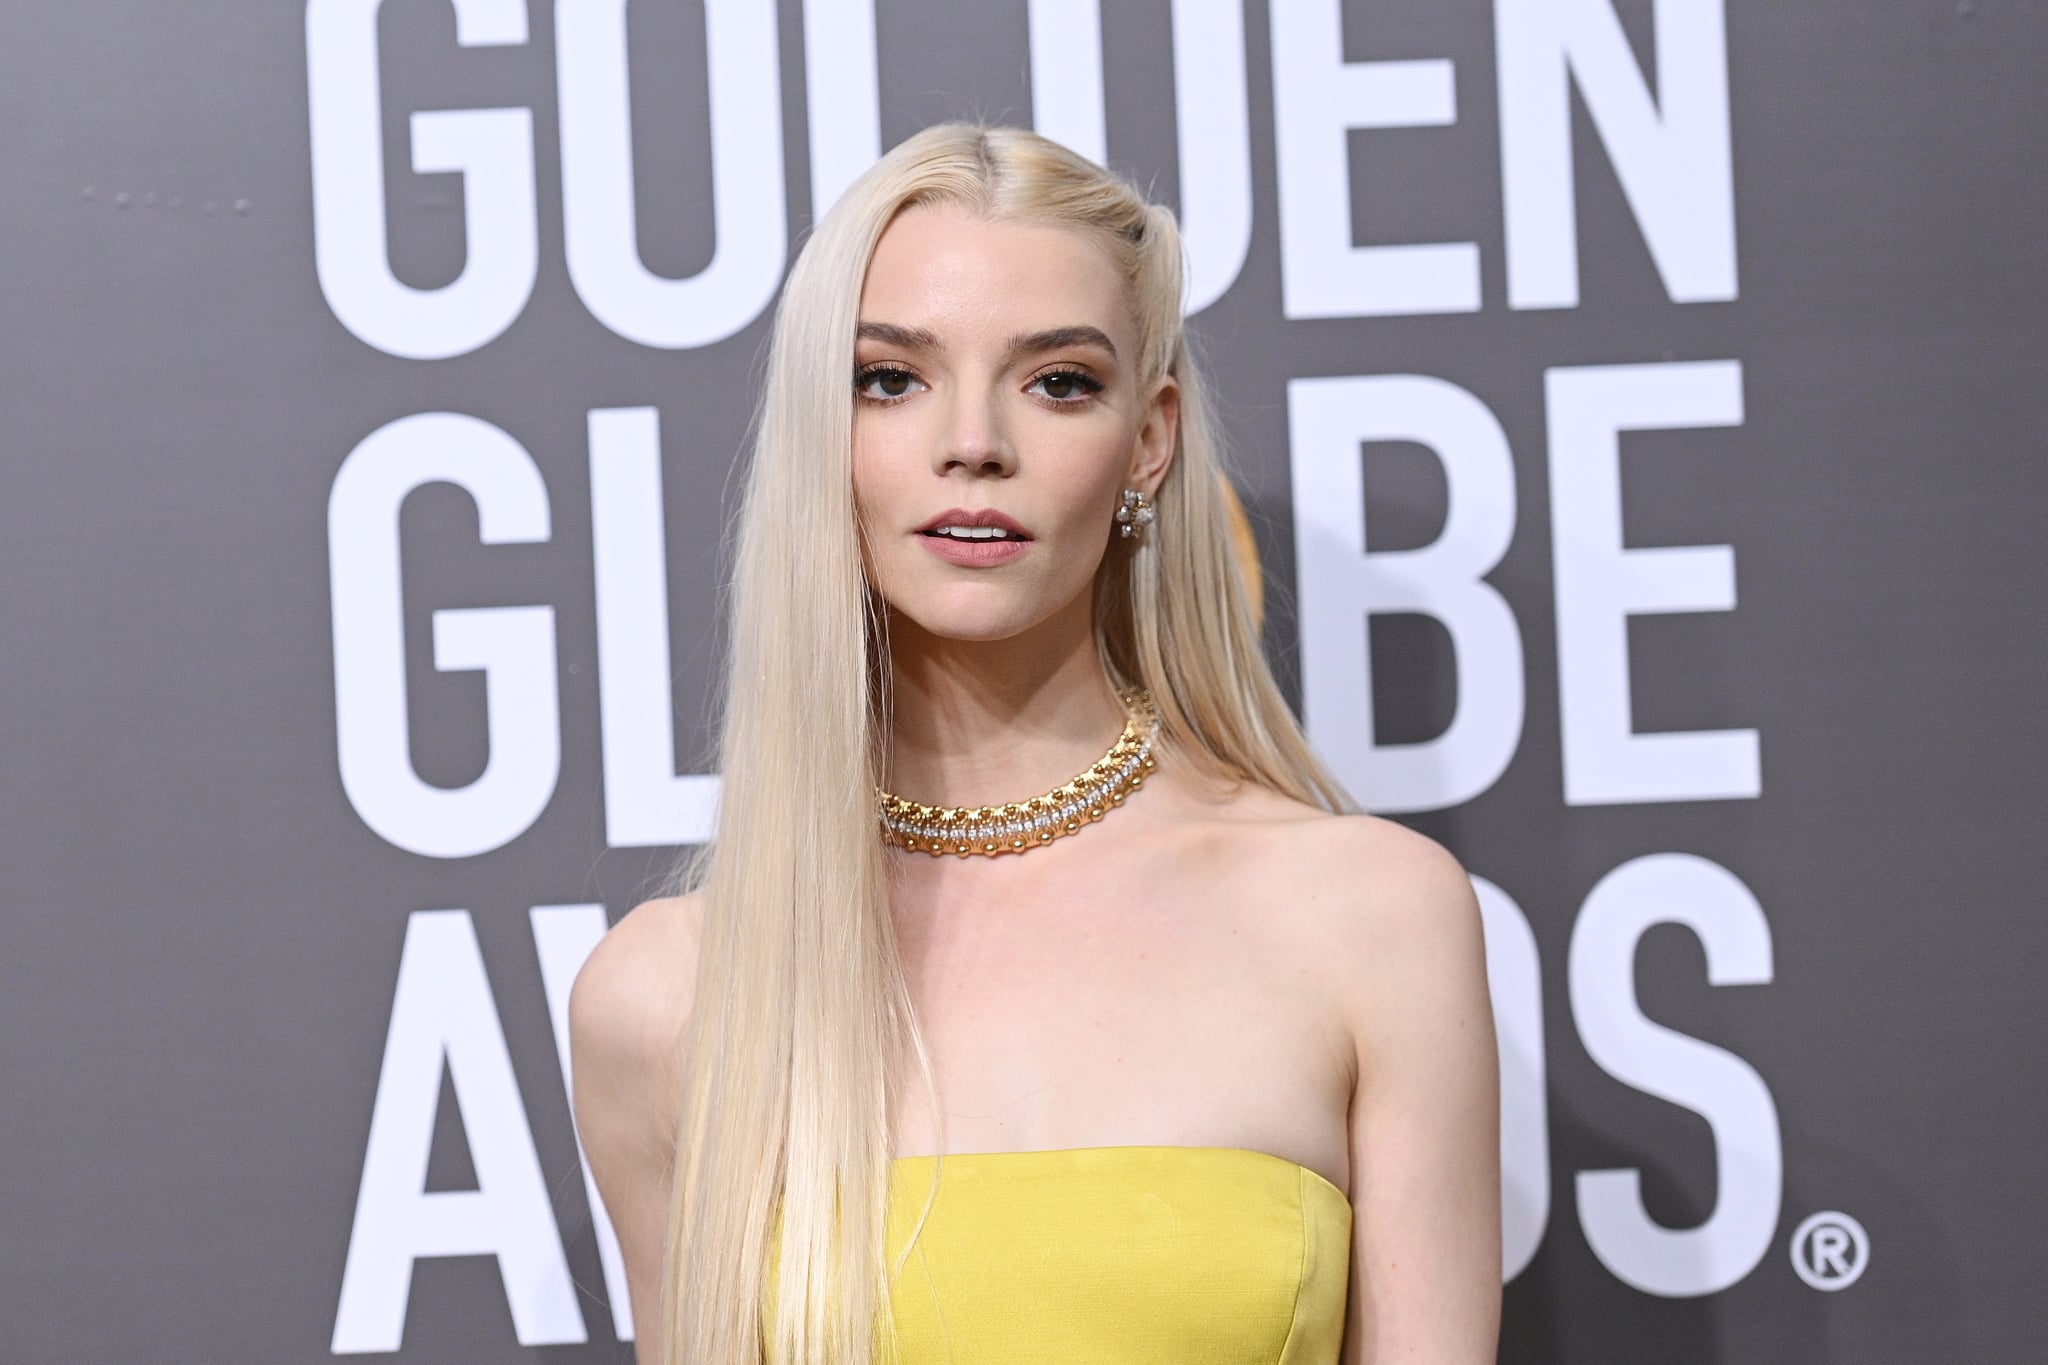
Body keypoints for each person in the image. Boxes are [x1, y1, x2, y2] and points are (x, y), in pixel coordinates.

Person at [568, 121, 1500, 1364]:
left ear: (1149, 440)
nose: (974, 443)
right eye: (889, 378)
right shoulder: (670, 998)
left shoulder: (1367, 917)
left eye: (1056, 380)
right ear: (819, 434)